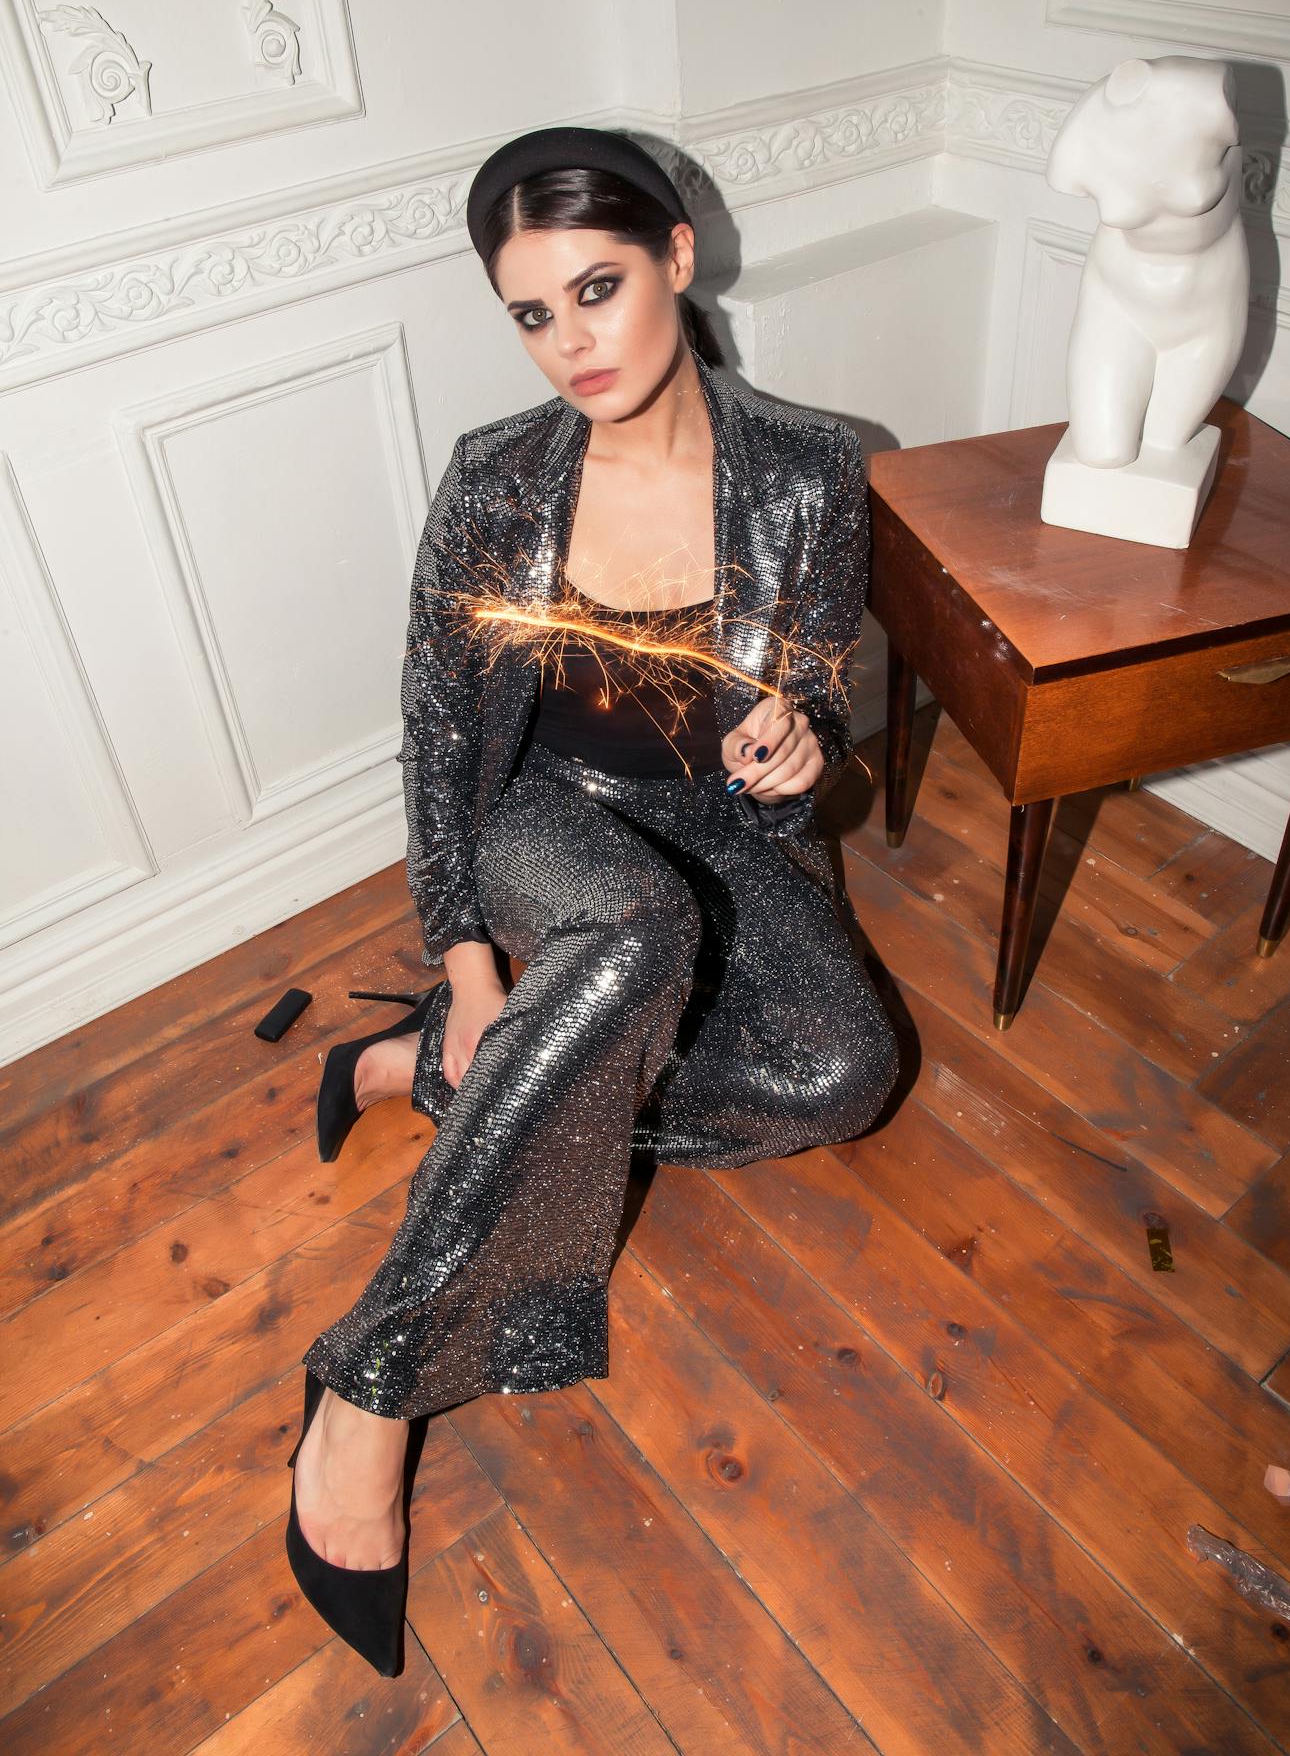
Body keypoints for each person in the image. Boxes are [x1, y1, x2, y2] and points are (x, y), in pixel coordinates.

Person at [283, 125, 900, 1675]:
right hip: (543, 821)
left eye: (598, 290)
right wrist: (472, 955)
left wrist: (808, 744)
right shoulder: (496, 479)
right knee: (633, 938)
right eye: (531, 313)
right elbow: (436, 735)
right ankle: (370, 1385)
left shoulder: (817, 470)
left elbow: (823, 720)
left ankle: (416, 1069)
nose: (569, 344)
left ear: (681, 257)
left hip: (716, 827)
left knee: (845, 1076)